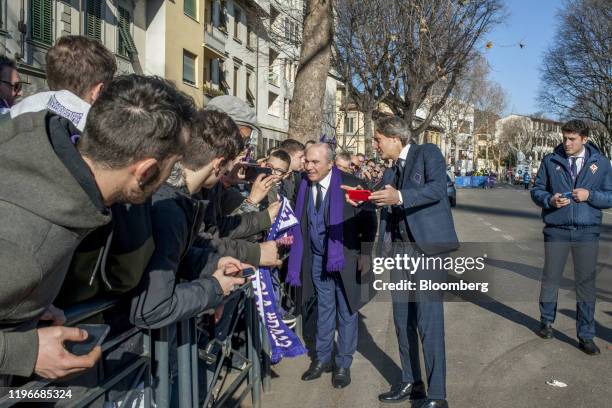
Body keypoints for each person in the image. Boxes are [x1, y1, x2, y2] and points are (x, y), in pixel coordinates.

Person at [0, 74, 192, 382]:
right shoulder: (26, 246)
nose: (172, 177)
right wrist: (24, 350)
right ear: (146, 171)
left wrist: (27, 304)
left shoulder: (39, 144)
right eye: (173, 166)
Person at [366, 117, 458, 408]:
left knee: (428, 323)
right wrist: (363, 198)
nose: (375, 145)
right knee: (402, 319)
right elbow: (385, 200)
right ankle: (411, 381)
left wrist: (400, 196)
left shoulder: (427, 153)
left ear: (395, 138)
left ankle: (437, 394)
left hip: (427, 251)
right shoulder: (391, 170)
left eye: (377, 139)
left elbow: (437, 189)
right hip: (401, 252)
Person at [130, 109, 248, 328]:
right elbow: (153, 308)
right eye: (229, 164)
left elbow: (171, 256)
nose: (230, 170)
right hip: (143, 350)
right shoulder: (170, 209)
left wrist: (212, 263)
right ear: (217, 163)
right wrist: (215, 288)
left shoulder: (179, 197)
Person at [290, 143, 377, 389]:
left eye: (315, 162)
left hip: (346, 258)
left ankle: (343, 364)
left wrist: (366, 253)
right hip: (317, 258)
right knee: (324, 309)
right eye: (307, 161)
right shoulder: (303, 185)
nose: (309, 167)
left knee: (347, 311)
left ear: (330, 163)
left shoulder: (352, 183)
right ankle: (322, 358)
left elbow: (370, 217)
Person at [531, 119, 612, 355]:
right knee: (551, 277)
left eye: (572, 139)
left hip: (587, 231)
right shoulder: (550, 160)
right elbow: (537, 190)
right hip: (557, 229)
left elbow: (610, 196)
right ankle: (546, 322)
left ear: (584, 139)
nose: (567, 143)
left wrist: (590, 195)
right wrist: (550, 200)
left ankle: (585, 335)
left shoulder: (602, 163)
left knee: (585, 283)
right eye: (565, 138)